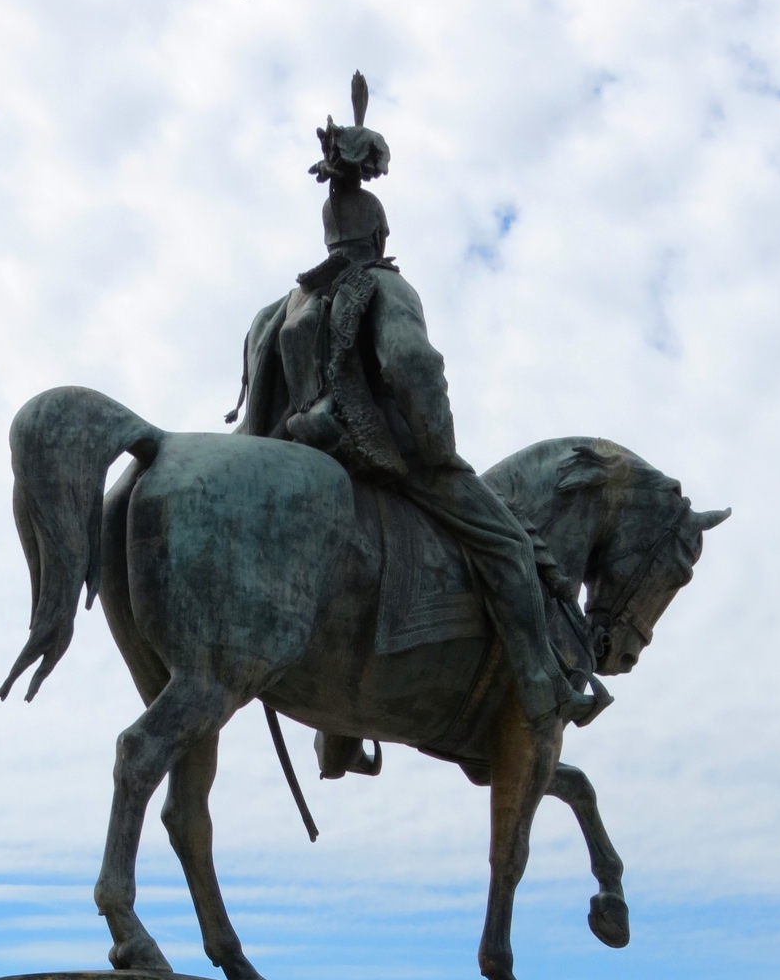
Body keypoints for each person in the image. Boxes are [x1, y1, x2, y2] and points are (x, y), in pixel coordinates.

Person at [230, 74, 575, 729]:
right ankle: (540, 684)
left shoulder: (280, 310)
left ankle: (336, 740)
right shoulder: (385, 289)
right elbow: (411, 363)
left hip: (302, 446)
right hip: (378, 449)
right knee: (506, 546)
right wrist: (438, 448)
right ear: (378, 227)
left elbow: (253, 427)